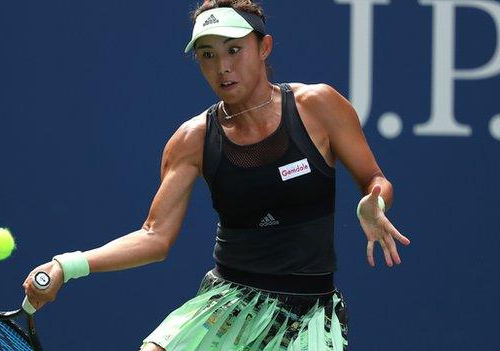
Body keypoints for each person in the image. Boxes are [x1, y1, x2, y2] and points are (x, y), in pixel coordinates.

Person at [22, 1, 411, 350]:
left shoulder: (319, 106)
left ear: (265, 47)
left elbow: (374, 178)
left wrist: (373, 203)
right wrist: (66, 265)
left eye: (234, 49)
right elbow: (154, 236)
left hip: (311, 315)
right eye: (207, 55)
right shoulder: (192, 140)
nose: (222, 66)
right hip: (228, 301)